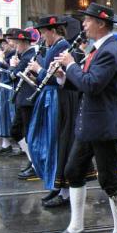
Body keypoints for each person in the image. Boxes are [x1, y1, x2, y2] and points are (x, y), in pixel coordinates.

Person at [49, 3, 117, 233]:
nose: (83, 24)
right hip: (90, 123)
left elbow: (92, 84)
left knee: (109, 179)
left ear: (101, 23)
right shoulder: (98, 49)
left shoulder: (109, 51)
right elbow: (84, 82)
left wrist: (71, 64)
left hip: (103, 125)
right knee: (74, 170)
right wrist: (63, 76)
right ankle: (75, 229)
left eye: (87, 20)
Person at [26, 16, 85, 208]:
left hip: (59, 100)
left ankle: (64, 190)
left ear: (52, 31)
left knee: (59, 144)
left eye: (43, 33)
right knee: (49, 143)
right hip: (51, 98)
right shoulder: (54, 46)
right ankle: (56, 184)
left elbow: (56, 79)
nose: (42, 37)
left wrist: (38, 68)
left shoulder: (62, 46)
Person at [9, 29, 37, 164]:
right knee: (16, 131)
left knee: (27, 133)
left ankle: (33, 161)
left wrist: (12, 66)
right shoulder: (26, 55)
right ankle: (31, 159)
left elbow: (13, 75)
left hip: (27, 100)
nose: (15, 45)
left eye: (17, 42)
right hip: (23, 99)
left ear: (24, 43)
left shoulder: (27, 57)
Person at [0, 31, 17, 155]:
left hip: (10, 90)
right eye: (2, 43)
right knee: (0, 117)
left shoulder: (15, 54)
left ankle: (21, 147)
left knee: (12, 118)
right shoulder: (8, 54)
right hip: (3, 89)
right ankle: (5, 145)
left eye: (5, 43)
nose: (3, 46)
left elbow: (13, 73)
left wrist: (1, 61)